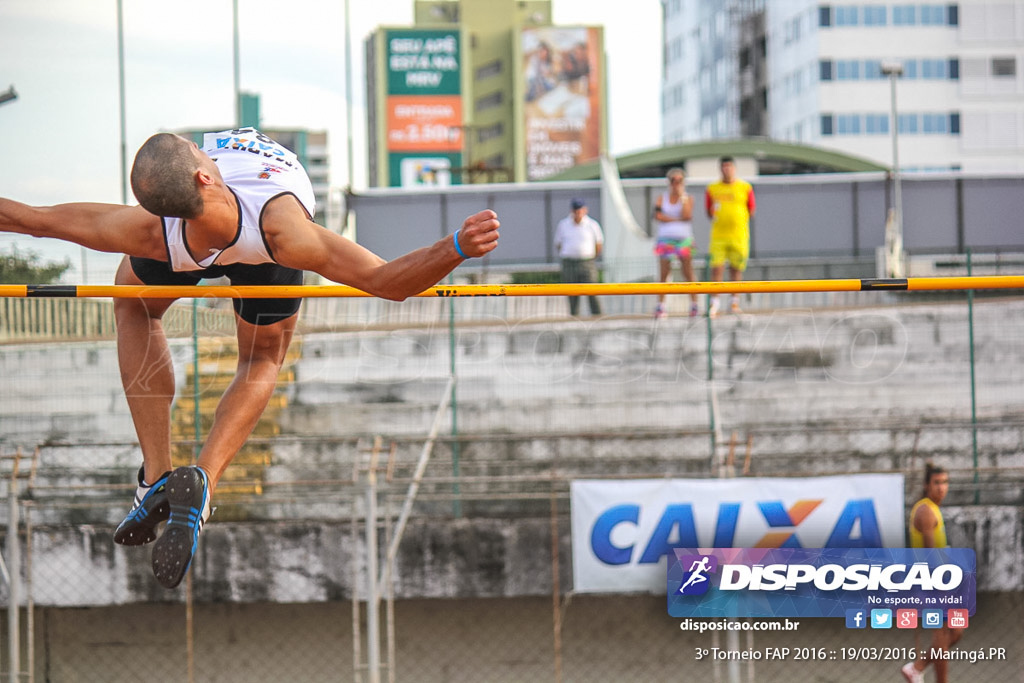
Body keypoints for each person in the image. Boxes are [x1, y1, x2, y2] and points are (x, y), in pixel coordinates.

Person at [0, 127, 499, 589]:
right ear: (204, 173)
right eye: (200, 148)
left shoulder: (146, 229)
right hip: (266, 246)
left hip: (185, 244)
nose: (205, 148)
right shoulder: (287, 231)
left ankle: (156, 476)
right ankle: (203, 481)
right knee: (260, 362)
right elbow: (388, 283)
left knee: (132, 304)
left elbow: (35, 221)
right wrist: (454, 246)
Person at [901, 463, 963, 683]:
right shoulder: (926, 511)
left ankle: (916, 668)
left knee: (955, 632)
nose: (941, 488)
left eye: (945, 482)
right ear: (927, 485)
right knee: (941, 637)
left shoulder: (933, 508)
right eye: (937, 483)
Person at [704, 156, 755, 317]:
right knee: (716, 269)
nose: (727, 170)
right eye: (724, 167)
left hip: (739, 235)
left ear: (734, 168)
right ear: (720, 169)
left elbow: (751, 209)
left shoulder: (745, 187)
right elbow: (708, 211)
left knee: (736, 269)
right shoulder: (712, 188)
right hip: (719, 236)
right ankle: (715, 303)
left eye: (730, 167)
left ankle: (734, 302)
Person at [652, 168, 698, 319]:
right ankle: (661, 305)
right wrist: (676, 219)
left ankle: (694, 304)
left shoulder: (687, 198)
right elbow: (658, 216)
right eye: (673, 181)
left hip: (683, 239)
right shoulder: (662, 198)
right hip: (666, 240)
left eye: (679, 181)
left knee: (687, 272)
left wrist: (681, 198)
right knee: (664, 273)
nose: (676, 184)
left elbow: (687, 215)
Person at [554, 198, 603, 317]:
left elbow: (598, 244)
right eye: (576, 210)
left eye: (580, 210)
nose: (578, 213)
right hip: (569, 262)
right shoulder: (564, 224)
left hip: (587, 262)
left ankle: (597, 316)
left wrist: (590, 256)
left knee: (592, 291)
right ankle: (574, 317)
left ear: (585, 210)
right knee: (571, 293)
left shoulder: (592, 225)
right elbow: (558, 243)